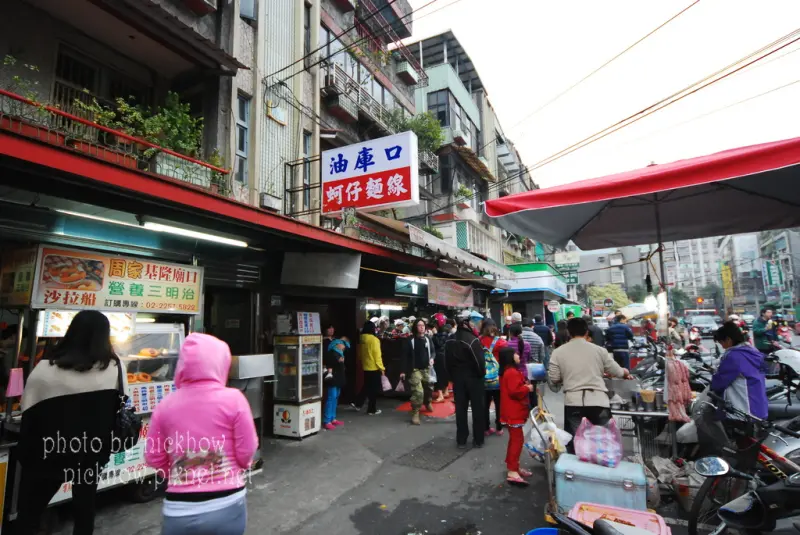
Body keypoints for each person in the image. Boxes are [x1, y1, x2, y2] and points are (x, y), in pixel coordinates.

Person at [18, 311, 123, 535]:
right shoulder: (114, 368)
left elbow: (28, 413)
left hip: (49, 453)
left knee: (31, 511)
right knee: (85, 508)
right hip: (91, 453)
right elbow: (119, 407)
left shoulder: (45, 370)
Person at [146, 333, 258, 535]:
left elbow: (154, 457)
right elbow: (247, 448)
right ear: (221, 363)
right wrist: (241, 465)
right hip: (228, 502)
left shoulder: (165, 405)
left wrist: (176, 474)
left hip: (179, 509)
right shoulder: (234, 399)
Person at [549, 318, 631, 452]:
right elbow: (617, 371)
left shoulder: (558, 352)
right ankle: (599, 469)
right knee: (603, 442)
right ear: (587, 332)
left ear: (569, 333)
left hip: (573, 402)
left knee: (576, 443)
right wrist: (625, 372)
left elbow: (554, 378)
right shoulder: (600, 351)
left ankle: (578, 470)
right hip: (598, 402)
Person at [445, 311, 486, 448]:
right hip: (474, 379)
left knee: (461, 410)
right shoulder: (472, 340)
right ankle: (478, 439)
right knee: (477, 410)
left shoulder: (450, 339)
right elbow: (480, 363)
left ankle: (461, 439)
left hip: (458, 380)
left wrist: (453, 377)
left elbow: (447, 362)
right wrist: (481, 375)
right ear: (467, 323)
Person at [711, 321, 768, 419]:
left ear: (728, 340)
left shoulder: (733, 357)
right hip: (759, 408)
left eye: (721, 343)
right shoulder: (753, 351)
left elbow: (718, 383)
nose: (723, 347)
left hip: (743, 411)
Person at [498, 346, 534, 487]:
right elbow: (515, 392)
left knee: (515, 440)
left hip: (512, 411)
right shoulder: (511, 372)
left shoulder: (508, 372)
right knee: (517, 441)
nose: (519, 356)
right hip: (514, 412)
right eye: (516, 354)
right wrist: (527, 388)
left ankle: (513, 466)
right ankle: (512, 470)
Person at [400, 319, 434, 425]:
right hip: (415, 370)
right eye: (419, 325)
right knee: (418, 392)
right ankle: (415, 412)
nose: (421, 327)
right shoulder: (410, 340)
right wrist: (403, 371)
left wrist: (432, 358)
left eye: (423, 325)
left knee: (429, 388)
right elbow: (404, 356)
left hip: (426, 368)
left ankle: (427, 401)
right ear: (415, 327)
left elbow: (433, 351)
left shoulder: (428, 339)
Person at [479, 319, 507, 437]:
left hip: (483, 377)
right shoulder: (501, 342)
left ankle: (485, 428)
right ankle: (499, 427)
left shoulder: (479, 341)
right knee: (499, 403)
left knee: (484, 404)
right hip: (498, 378)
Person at [352, 321, 385, 415]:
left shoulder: (361, 339)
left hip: (365, 366)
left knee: (367, 386)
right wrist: (382, 368)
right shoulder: (374, 340)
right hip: (374, 367)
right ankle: (371, 409)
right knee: (373, 389)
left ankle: (358, 403)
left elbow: (360, 354)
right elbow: (377, 356)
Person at [323, 337, 349, 430]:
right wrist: (339, 361)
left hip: (339, 379)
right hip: (333, 379)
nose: (344, 346)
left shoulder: (340, 354)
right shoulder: (331, 353)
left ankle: (333, 418)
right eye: (342, 344)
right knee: (331, 398)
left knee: (336, 398)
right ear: (337, 344)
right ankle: (327, 420)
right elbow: (330, 364)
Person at [431, 319, 450, 403]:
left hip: (439, 356)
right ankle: (446, 391)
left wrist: (434, 334)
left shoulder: (440, 334)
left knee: (438, 375)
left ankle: (441, 395)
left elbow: (439, 344)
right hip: (445, 356)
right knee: (444, 374)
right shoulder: (446, 333)